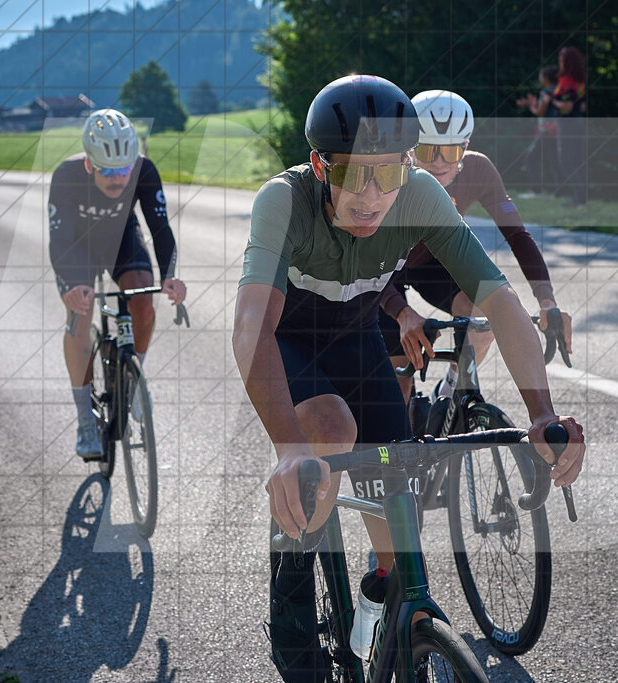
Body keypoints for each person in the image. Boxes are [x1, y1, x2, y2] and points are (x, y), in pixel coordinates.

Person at [232, 75, 585, 682]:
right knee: (327, 428)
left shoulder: (420, 193)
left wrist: (541, 413)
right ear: (320, 164)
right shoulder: (282, 200)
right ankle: (291, 583)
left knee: (395, 502)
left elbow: (498, 302)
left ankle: (380, 601)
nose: (371, 196)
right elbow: (250, 331)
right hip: (289, 339)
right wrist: (289, 449)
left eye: (388, 174)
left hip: (356, 339)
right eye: (351, 175)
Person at [379, 89, 573, 403]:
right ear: (410, 150)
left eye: (451, 152)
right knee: (398, 380)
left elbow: (518, 236)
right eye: (428, 151)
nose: (440, 163)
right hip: (383, 269)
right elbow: (362, 262)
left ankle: (452, 395)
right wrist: (402, 314)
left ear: (465, 146)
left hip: (432, 261)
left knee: (484, 318)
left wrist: (547, 299)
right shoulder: (390, 177)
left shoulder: (478, 169)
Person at [48, 108, 186, 459]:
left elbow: (159, 228)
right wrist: (70, 286)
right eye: (108, 171)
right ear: (89, 165)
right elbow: (59, 241)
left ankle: (133, 379)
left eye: (124, 170)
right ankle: (84, 418)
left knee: (142, 297)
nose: (118, 179)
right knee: (79, 318)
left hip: (120, 240)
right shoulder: (65, 176)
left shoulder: (144, 171)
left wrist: (170, 274)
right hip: (77, 247)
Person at [516, 65, 560, 197]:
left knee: (531, 158)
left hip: (547, 130)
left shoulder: (546, 92)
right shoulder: (558, 91)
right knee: (554, 160)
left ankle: (536, 190)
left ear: (545, 78)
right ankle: (559, 191)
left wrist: (531, 105)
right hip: (557, 130)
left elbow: (540, 112)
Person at [551, 46, 587, 207]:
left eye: (561, 59)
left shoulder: (567, 80)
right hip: (578, 122)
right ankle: (580, 199)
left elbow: (567, 106)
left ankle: (579, 199)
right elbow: (582, 106)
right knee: (577, 160)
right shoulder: (581, 80)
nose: (559, 62)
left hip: (567, 123)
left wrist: (553, 102)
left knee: (566, 160)